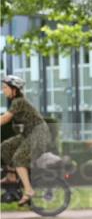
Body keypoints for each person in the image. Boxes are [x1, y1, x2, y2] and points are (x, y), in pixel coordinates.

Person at [1, 75, 49, 205]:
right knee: (5, 146)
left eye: (5, 87)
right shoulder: (15, 102)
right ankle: (11, 175)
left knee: (19, 158)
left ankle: (29, 190)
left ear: (14, 89)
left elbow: (4, 119)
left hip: (38, 134)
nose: (3, 90)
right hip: (28, 134)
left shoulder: (19, 102)